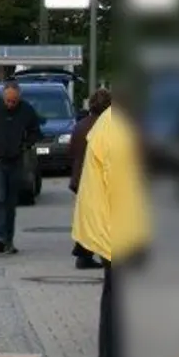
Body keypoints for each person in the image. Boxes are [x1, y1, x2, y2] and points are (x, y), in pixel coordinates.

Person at [71, 103, 151, 357]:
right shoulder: (119, 130)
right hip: (117, 228)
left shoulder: (110, 122)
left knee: (115, 295)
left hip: (108, 224)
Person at [0, 80, 44, 255]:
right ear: (3, 97)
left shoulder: (26, 110)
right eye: (8, 101)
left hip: (15, 160)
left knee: (10, 202)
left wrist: (25, 145)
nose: (11, 105)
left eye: (14, 101)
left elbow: (36, 131)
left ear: (18, 98)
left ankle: (9, 240)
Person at [67, 89, 112, 269]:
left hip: (80, 178)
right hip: (97, 179)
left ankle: (83, 252)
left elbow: (71, 151)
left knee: (88, 217)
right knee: (100, 218)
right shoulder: (107, 126)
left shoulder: (81, 125)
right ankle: (92, 253)